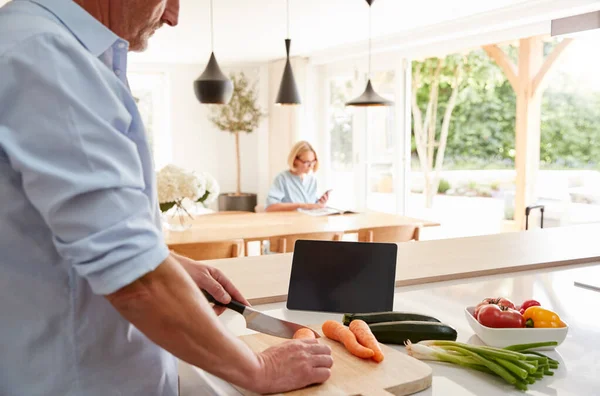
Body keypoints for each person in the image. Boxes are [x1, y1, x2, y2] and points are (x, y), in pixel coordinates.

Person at [0, 1, 332, 395]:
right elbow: (135, 280)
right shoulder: (46, 55)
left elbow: (62, 226)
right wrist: (259, 368)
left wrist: (166, 261)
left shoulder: (33, 42)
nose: (174, 15)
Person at [265, 140, 331, 212]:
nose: (311, 166)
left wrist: (320, 203)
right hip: (290, 221)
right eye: (307, 162)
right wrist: (301, 205)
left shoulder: (312, 180)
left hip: (309, 221)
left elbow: (312, 206)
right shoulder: (282, 179)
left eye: (313, 162)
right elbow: (270, 207)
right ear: (295, 160)